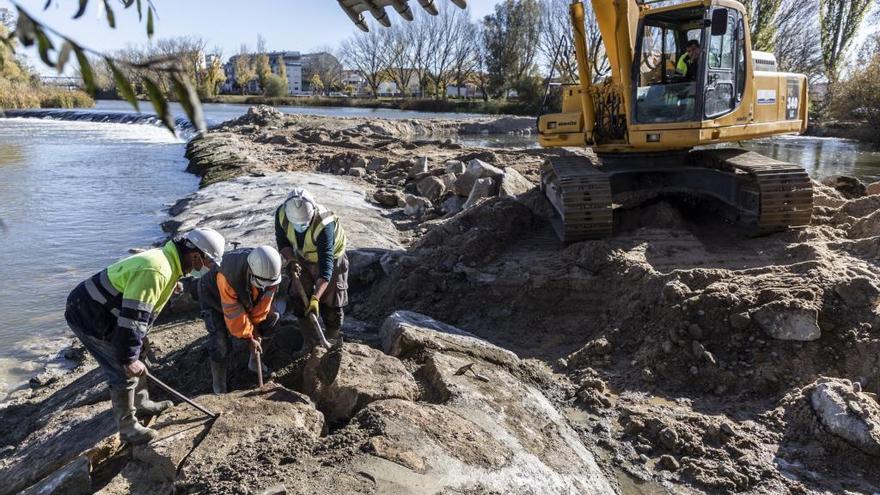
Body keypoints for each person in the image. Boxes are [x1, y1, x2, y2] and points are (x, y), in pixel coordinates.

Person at [65, 228, 226, 445]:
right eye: (206, 263)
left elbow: (137, 317)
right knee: (122, 369)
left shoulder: (170, 263)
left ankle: (141, 403)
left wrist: (136, 350)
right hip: (88, 313)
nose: (205, 268)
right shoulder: (156, 271)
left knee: (139, 348)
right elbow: (132, 320)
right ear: (195, 255)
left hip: (106, 308)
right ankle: (128, 428)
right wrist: (129, 360)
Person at [197, 245, 283, 394]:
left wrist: (256, 332)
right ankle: (219, 386)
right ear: (250, 271)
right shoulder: (227, 275)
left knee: (273, 318)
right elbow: (234, 315)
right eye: (261, 284)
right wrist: (250, 338)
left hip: (247, 295)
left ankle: (254, 362)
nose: (266, 287)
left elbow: (263, 307)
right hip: (214, 297)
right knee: (220, 343)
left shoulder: (271, 274)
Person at [275, 188, 349, 352]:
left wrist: (316, 297)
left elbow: (326, 267)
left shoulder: (324, 224)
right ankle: (310, 341)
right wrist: (292, 260)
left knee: (332, 300)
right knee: (298, 296)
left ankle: (332, 340)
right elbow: (282, 242)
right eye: (297, 224)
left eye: (304, 224)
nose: (300, 227)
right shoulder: (282, 214)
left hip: (333, 257)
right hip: (303, 255)